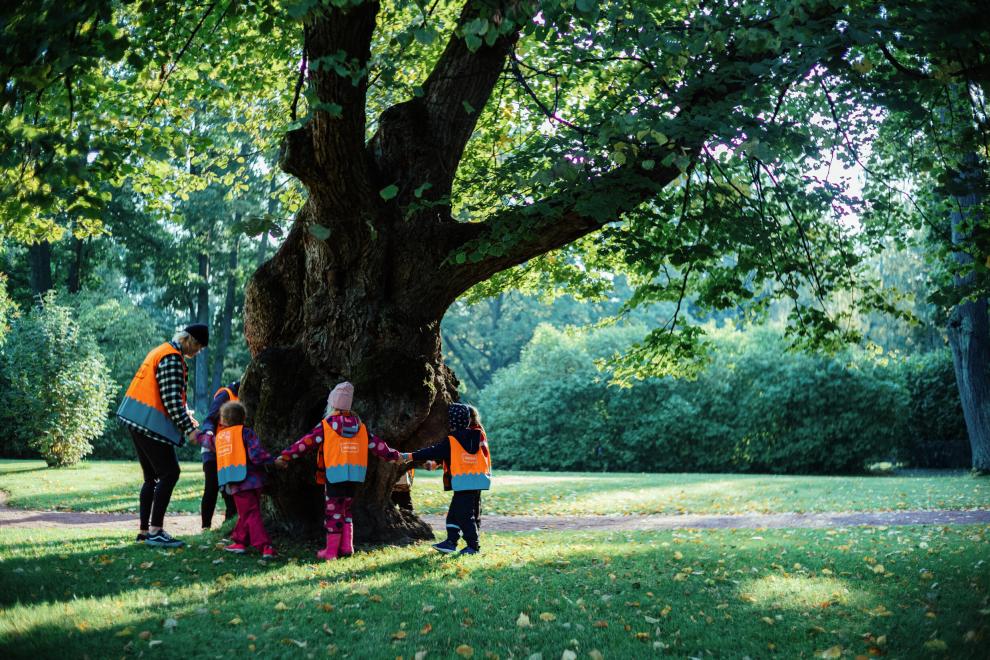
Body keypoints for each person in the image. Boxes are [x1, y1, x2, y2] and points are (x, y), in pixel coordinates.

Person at [274, 381, 403, 560]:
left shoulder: (327, 425)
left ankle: (331, 552)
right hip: (354, 476)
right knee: (346, 509)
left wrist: (286, 456)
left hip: (335, 475)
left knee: (333, 511)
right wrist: (394, 455)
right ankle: (347, 547)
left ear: (332, 404)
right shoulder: (360, 427)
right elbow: (377, 445)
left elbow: (307, 442)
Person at [117, 324, 208, 548]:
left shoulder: (161, 351)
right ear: (190, 340)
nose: (197, 353)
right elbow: (171, 400)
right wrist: (190, 429)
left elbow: (165, 396)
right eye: (198, 348)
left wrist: (187, 418)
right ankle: (156, 531)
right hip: (148, 424)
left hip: (136, 418)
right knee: (170, 472)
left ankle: (144, 532)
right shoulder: (173, 358)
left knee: (152, 478)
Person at [400, 403, 491, 555]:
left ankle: (473, 546)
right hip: (477, 481)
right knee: (455, 513)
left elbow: (432, 451)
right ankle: (451, 542)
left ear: (452, 422)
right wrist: (438, 463)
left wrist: (409, 456)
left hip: (463, 482)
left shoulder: (453, 440)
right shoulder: (477, 436)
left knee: (464, 514)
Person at [203, 401, 276, 558]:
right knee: (247, 512)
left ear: (223, 420)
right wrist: (272, 460)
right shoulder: (246, 433)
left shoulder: (220, 438)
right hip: (255, 481)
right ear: (243, 417)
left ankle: (265, 546)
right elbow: (256, 455)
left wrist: (192, 432)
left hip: (236, 483)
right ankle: (240, 542)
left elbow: (205, 441)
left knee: (250, 513)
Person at [198, 382, 239, 530]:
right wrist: (208, 433)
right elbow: (209, 419)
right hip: (212, 448)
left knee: (231, 488)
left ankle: (230, 524)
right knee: (212, 486)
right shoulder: (226, 394)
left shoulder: (250, 398)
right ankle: (205, 527)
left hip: (231, 451)